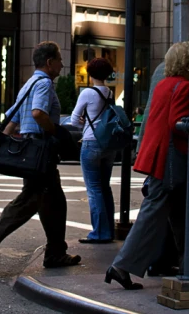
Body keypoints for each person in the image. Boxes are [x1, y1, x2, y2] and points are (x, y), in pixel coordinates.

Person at [0, 41, 81, 273]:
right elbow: (38, 113)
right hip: (41, 152)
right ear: (49, 63)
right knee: (29, 202)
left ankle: (56, 252)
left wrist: (1, 151)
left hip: (32, 152)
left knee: (54, 203)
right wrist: (57, 132)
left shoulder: (28, 84)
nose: (62, 64)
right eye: (59, 60)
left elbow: (13, 121)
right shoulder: (44, 84)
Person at [105, 41, 189, 291]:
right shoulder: (185, 86)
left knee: (180, 215)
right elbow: (178, 124)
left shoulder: (164, 85)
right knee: (156, 216)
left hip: (161, 158)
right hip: (174, 161)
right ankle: (121, 266)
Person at [71, 57, 117, 244]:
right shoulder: (109, 92)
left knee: (94, 189)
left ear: (90, 74)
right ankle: (109, 231)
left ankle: (99, 232)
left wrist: (83, 122)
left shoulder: (87, 93)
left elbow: (74, 120)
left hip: (91, 142)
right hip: (108, 144)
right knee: (105, 187)